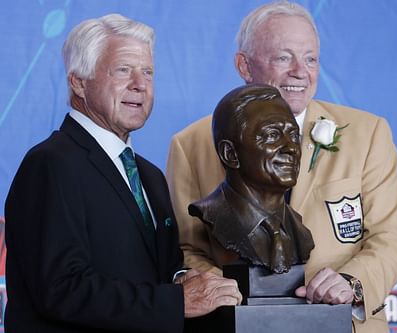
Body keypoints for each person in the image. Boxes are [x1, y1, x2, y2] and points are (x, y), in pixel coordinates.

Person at [166, 2, 397, 332]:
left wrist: (352, 283)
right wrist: (236, 295)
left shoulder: (367, 134)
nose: (301, 70)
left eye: (310, 58)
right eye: (284, 57)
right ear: (244, 64)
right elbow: (185, 249)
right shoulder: (191, 143)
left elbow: (392, 239)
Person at [4, 14, 241, 333]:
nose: (140, 85)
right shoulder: (49, 164)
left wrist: (188, 281)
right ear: (78, 82)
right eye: (123, 70)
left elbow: (159, 272)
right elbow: (61, 288)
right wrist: (175, 301)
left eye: (148, 72)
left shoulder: (150, 175)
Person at [188, 84, 315, 274]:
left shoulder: (300, 232)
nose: (292, 149)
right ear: (230, 154)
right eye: (272, 135)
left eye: (293, 135)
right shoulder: (210, 215)